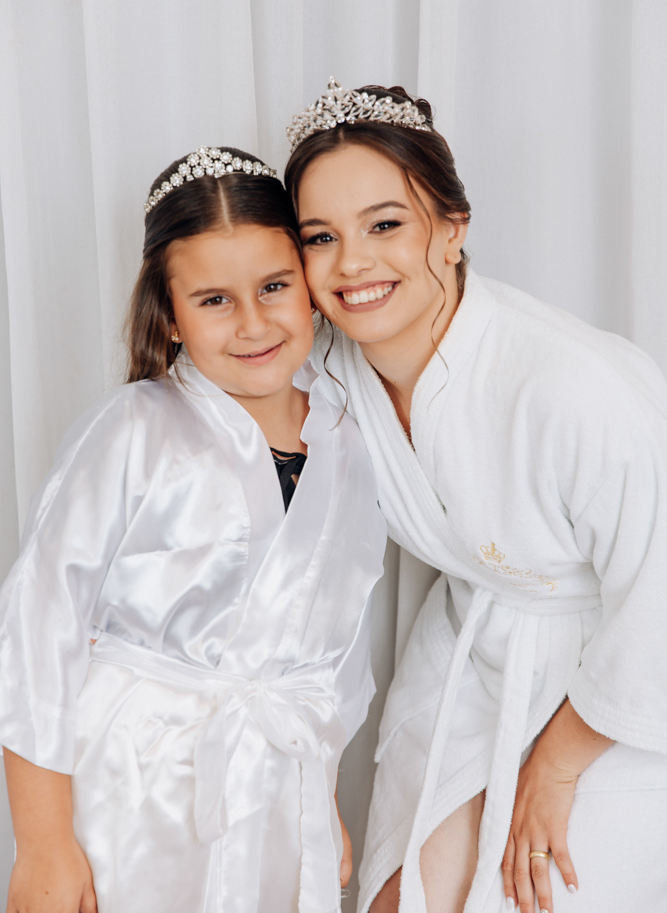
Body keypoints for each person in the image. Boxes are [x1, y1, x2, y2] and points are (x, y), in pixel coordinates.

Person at [284, 79, 667, 913]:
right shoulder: (324, 373)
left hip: (625, 675)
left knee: (532, 893)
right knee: (401, 901)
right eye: (320, 237)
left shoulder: (574, 386)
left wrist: (554, 766)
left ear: (452, 228)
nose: (351, 264)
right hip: (472, 647)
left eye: (385, 224)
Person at [0, 144, 387, 913]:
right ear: (169, 316)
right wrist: (42, 842)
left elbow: (334, 648)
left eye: (273, 286)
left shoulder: (350, 440)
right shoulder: (132, 430)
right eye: (214, 300)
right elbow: (38, 626)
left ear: (310, 288)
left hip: (278, 784)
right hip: (135, 783)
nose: (253, 323)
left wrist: (323, 791)